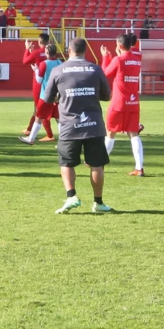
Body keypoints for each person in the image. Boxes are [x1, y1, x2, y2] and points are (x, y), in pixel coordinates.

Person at [44, 37, 114, 214]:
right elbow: (107, 95)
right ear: (86, 51)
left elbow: (47, 98)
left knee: (67, 163)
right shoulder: (95, 69)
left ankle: (71, 196)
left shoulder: (59, 70)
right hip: (93, 124)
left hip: (69, 125)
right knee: (96, 164)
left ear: (69, 50)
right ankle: (98, 203)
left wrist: (62, 97)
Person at [102, 33, 145, 177]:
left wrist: (105, 57)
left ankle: (99, 162)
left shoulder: (118, 60)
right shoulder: (137, 59)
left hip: (118, 102)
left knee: (110, 132)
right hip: (133, 102)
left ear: (120, 46)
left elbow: (105, 74)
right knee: (133, 134)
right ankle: (139, 168)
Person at [19, 43, 62, 145]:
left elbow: (39, 80)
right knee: (59, 119)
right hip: (57, 95)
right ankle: (63, 142)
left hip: (45, 95)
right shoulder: (60, 62)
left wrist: (36, 70)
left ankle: (31, 139)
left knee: (38, 117)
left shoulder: (44, 64)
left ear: (47, 52)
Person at [20, 33, 52, 134]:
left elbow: (25, 61)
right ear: (49, 42)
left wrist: (27, 49)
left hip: (38, 83)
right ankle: (29, 129)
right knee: (46, 106)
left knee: (40, 108)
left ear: (39, 42)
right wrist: (32, 52)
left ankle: (49, 134)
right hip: (50, 82)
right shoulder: (52, 54)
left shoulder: (36, 53)